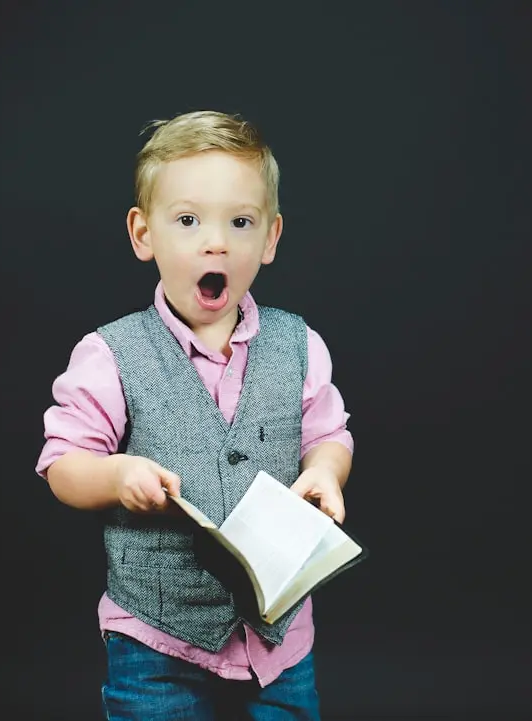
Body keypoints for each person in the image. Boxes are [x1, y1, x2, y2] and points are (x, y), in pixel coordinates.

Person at [35, 110, 354, 721]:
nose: (217, 242)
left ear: (270, 238)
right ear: (143, 234)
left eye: (240, 222)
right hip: (157, 639)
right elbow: (61, 464)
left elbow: (329, 433)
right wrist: (115, 475)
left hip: (279, 642)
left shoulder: (299, 344)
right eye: (188, 221)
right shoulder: (111, 354)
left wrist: (326, 471)